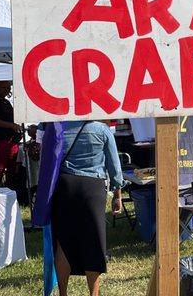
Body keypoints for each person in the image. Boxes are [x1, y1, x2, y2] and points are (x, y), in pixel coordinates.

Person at [51, 121, 124, 296]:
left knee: (63, 242)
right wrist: (118, 194)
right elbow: (114, 165)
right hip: (92, 186)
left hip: (64, 185)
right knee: (94, 242)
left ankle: (63, 293)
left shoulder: (60, 127)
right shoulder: (102, 129)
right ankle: (94, 293)